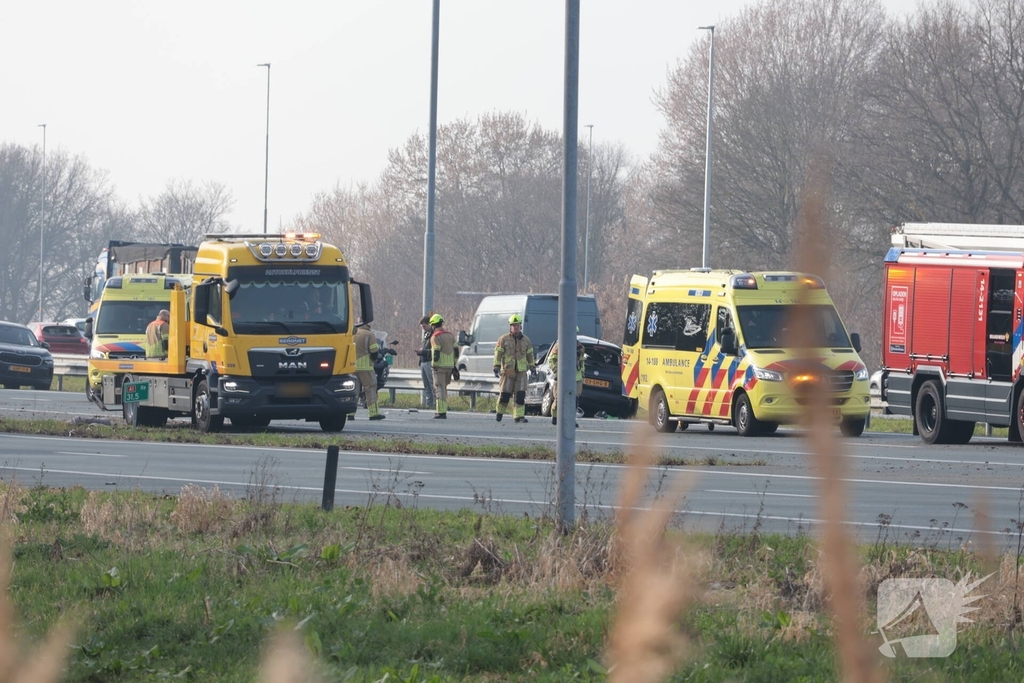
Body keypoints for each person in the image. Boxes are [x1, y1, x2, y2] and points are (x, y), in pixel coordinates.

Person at [493, 314, 536, 423]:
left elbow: (530, 355)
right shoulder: (503, 339)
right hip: (508, 371)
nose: (515, 327)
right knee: (505, 395)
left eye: (517, 325)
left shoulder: (526, 340)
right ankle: (500, 412)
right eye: (513, 325)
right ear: (510, 327)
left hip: (521, 372)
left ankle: (519, 416)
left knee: (520, 395)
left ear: (520, 326)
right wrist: (496, 367)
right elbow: (498, 354)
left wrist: (532, 367)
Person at [549, 328, 585, 426]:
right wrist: (557, 371)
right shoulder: (559, 345)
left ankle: (571, 419)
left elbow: (581, 362)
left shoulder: (580, 347)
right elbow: (551, 360)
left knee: (575, 400)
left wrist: (582, 373)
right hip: (562, 376)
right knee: (559, 399)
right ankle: (555, 415)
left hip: (576, 377)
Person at [354, 322, 385, 420]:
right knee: (370, 388)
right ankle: (373, 413)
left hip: (351, 366)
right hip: (366, 366)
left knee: (353, 390)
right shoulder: (369, 334)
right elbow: (374, 350)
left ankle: (350, 413)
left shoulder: (352, 333)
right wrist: (374, 360)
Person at [429, 314, 456, 419]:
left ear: (433, 325)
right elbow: (456, 351)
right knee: (444, 388)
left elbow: (435, 352)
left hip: (439, 366)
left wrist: (434, 364)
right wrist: (454, 364)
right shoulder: (450, 335)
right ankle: (443, 409)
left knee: (439, 388)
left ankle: (441, 411)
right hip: (450, 366)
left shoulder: (435, 336)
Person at [416, 315, 436, 409]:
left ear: (429, 324)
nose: (423, 329)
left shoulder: (434, 334)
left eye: (424, 326)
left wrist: (423, 351)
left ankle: (435, 404)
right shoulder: (426, 335)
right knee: (426, 385)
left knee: (432, 384)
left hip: (429, 361)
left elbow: (434, 351)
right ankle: (429, 405)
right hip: (423, 361)